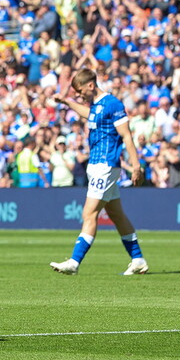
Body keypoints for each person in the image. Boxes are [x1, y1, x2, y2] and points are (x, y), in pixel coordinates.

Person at [50, 68, 148, 276]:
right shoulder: (96, 106)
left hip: (106, 164)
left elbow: (126, 136)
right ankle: (138, 259)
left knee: (89, 213)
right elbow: (88, 114)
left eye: (80, 91)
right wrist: (67, 102)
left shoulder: (113, 104)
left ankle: (74, 262)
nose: (80, 95)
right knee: (116, 214)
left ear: (90, 85)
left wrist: (136, 165)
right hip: (97, 165)